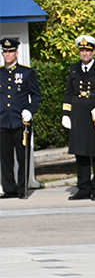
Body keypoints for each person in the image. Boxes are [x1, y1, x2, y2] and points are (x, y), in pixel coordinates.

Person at [62, 35, 95, 201]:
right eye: (82, 50)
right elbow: (69, 93)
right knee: (81, 152)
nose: (84, 53)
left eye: (87, 50)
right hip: (78, 114)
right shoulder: (74, 69)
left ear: (93, 52)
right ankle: (83, 188)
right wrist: (66, 114)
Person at [0, 38, 41, 199]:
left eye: (10, 52)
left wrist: (30, 111)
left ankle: (22, 189)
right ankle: (9, 189)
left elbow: (36, 96)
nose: (7, 54)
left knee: (22, 157)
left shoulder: (27, 73)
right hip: (3, 121)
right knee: (6, 158)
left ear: (16, 53)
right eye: (5, 52)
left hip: (21, 122)